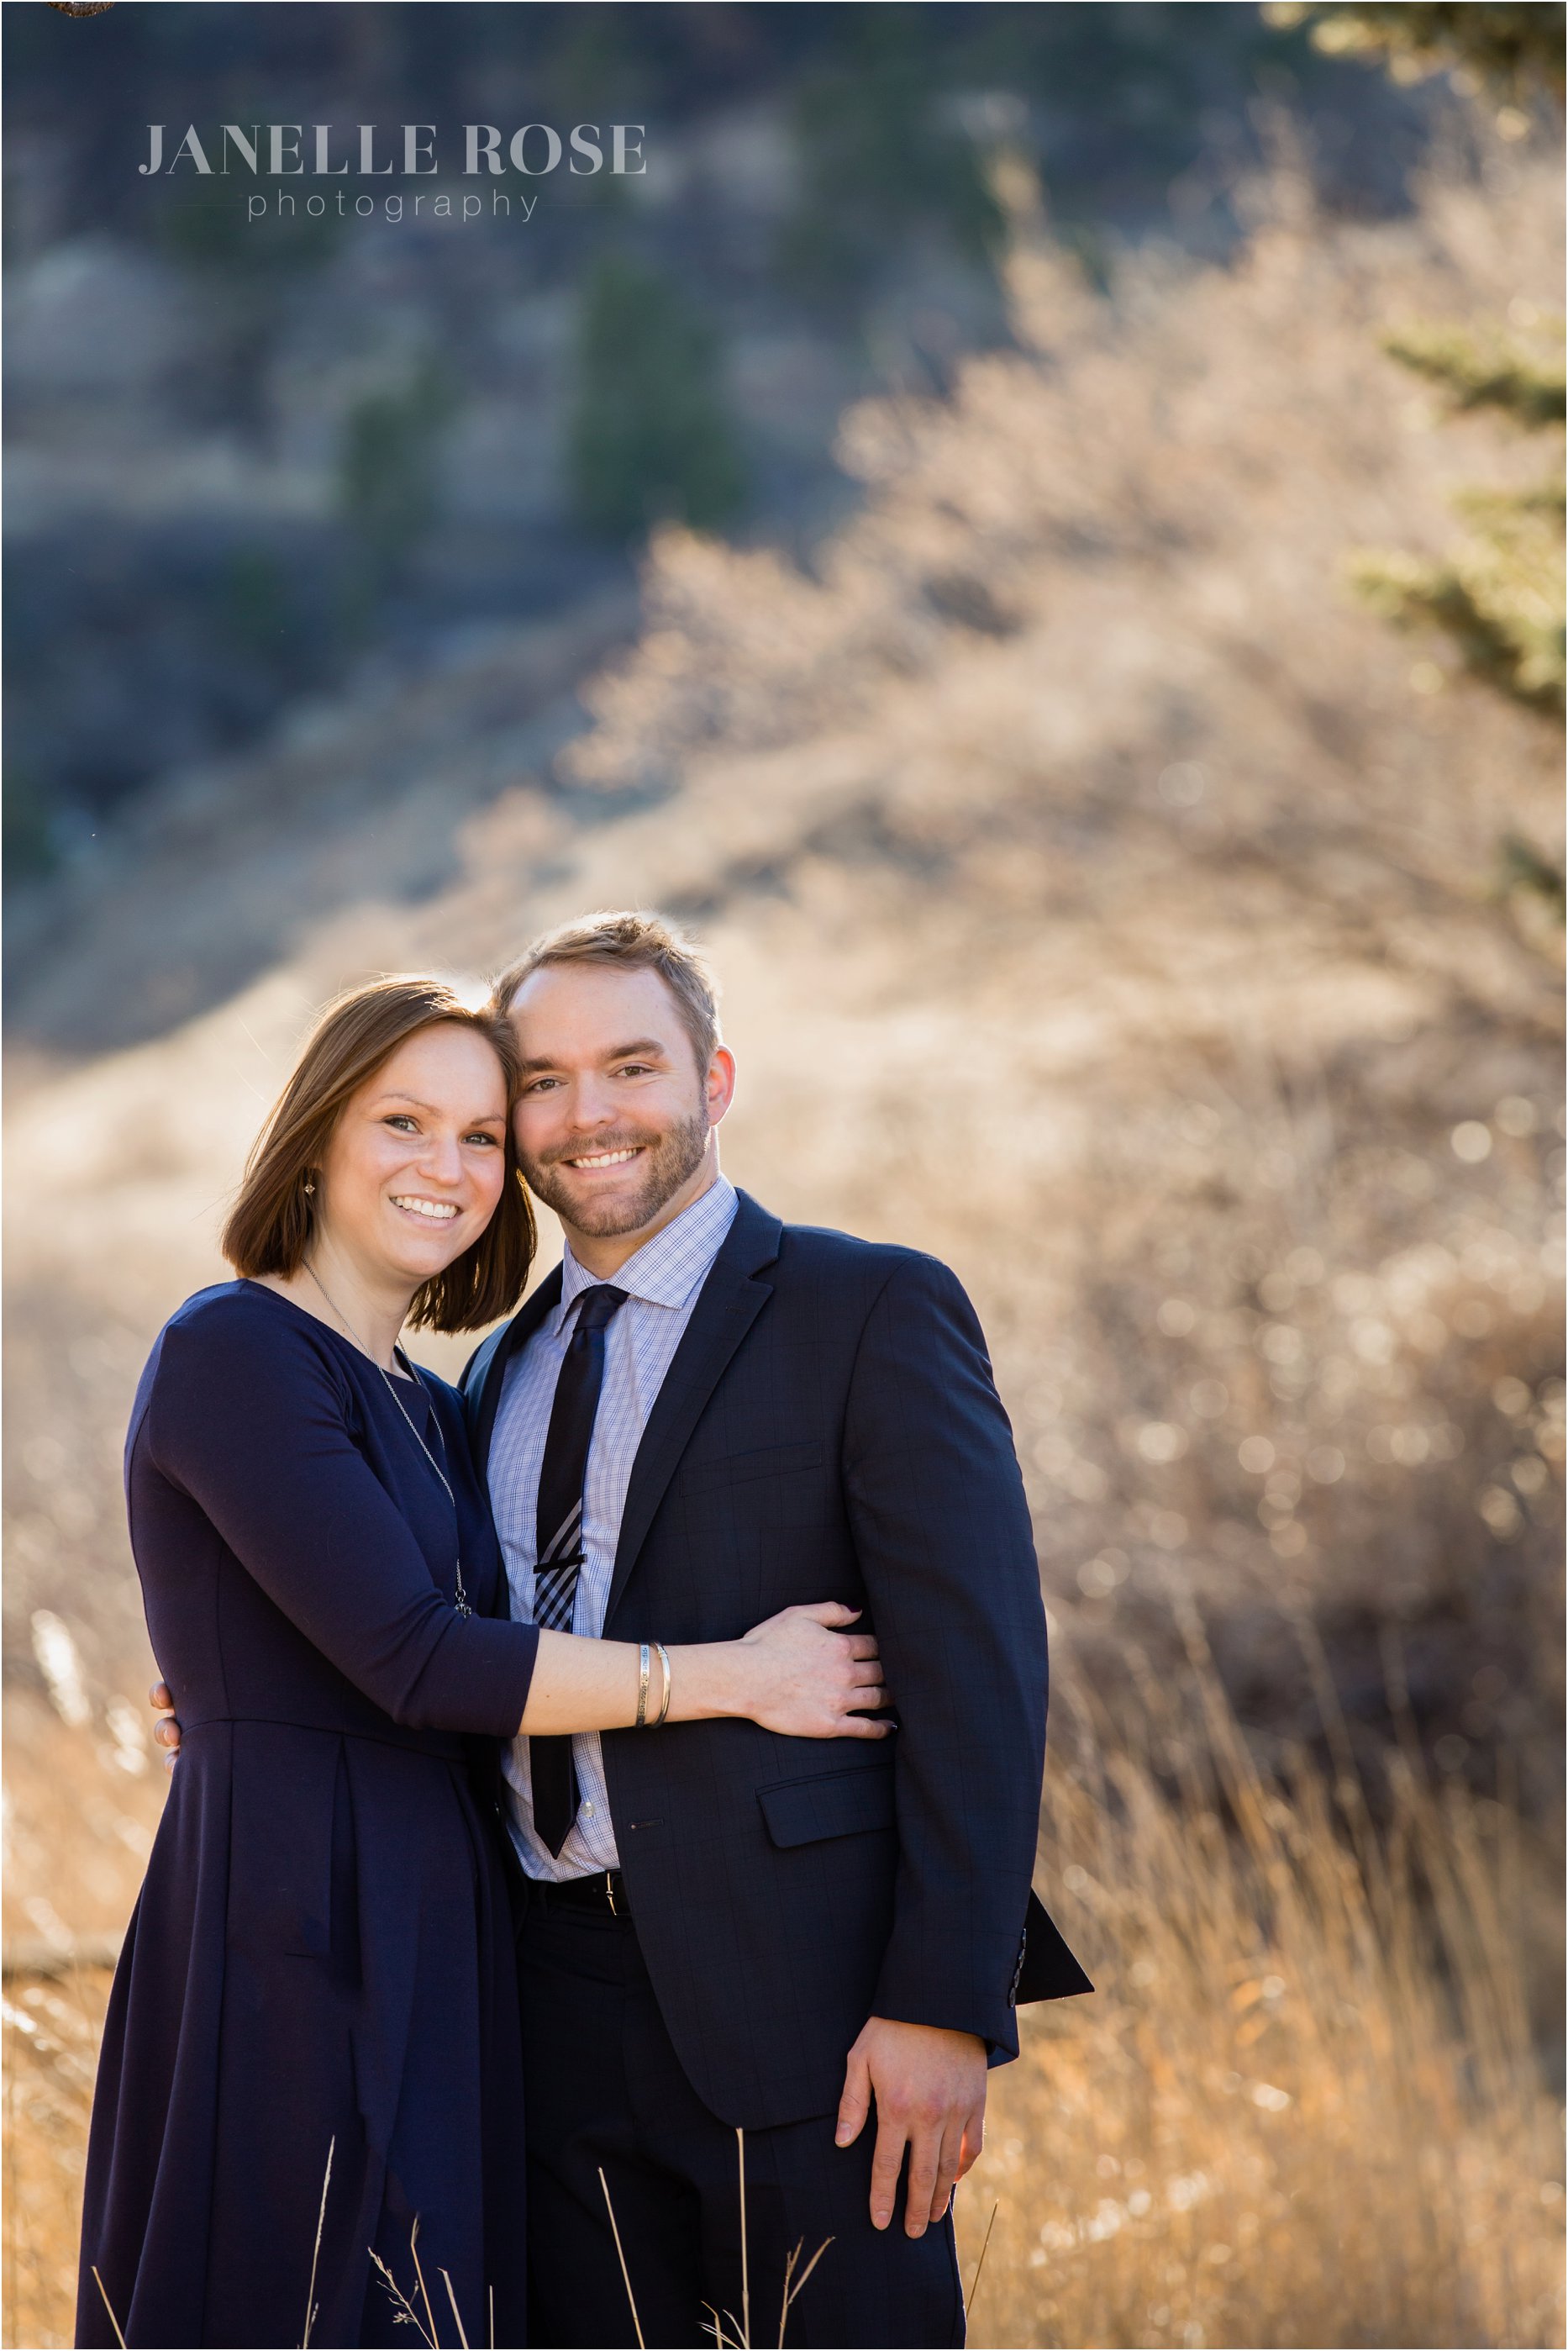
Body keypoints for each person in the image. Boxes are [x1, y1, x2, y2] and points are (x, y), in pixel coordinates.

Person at [82, 975, 887, 2351]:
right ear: (316, 1137)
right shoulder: (233, 1348)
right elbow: (416, 1655)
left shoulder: (446, 1399)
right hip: (297, 1907)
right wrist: (734, 1675)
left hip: (448, 1904)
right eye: (403, 1121)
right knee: (300, 2294)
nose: (443, 1167)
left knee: (440, 2302)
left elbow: (438, 1637)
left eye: (477, 1137)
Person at [460, 912, 1091, 2350]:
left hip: (814, 2020)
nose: (587, 1114)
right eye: (544, 1082)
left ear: (715, 1081)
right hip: (545, 2010)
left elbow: (979, 1680)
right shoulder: (497, 1368)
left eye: (631, 1066)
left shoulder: (865, 1306)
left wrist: (943, 2006)